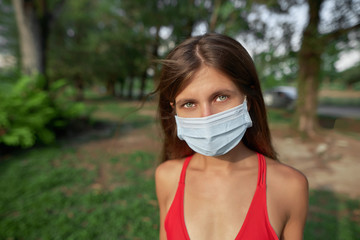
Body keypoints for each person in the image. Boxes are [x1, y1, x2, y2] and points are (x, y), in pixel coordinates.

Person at [154, 33, 308, 240]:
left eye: (221, 97)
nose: (206, 117)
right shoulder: (166, 177)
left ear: (248, 100)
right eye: (189, 104)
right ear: (175, 111)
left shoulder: (289, 186)